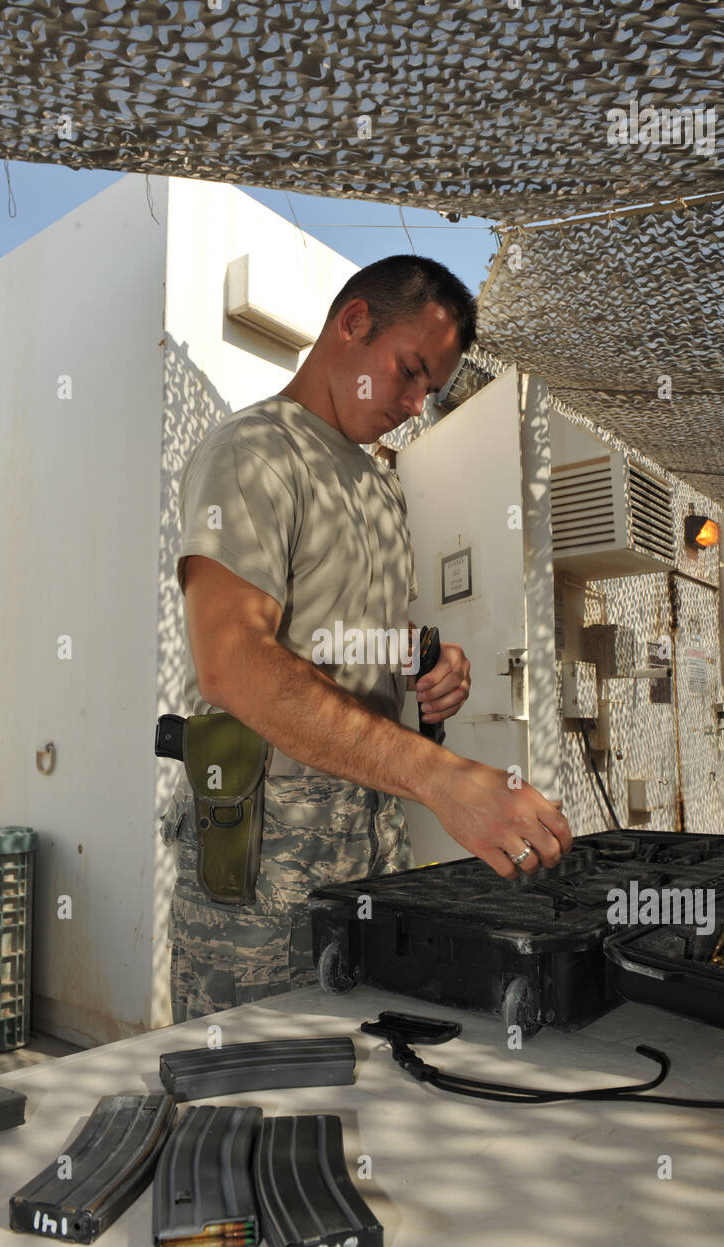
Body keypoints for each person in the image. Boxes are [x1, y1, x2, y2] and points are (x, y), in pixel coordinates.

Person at [160, 254, 572, 1022]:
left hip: (370, 852)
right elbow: (234, 665)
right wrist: (443, 777)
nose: (416, 407)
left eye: (430, 391)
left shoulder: (378, 485)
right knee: (250, 1094)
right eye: (410, 372)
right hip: (266, 871)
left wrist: (422, 661)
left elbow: (331, 647)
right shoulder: (252, 453)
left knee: (358, 1087)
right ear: (353, 323)